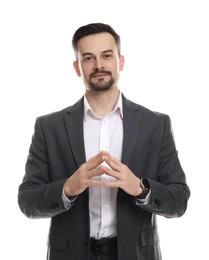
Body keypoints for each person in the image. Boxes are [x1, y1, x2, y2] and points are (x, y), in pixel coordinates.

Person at [18, 23, 190, 260]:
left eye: (106, 56)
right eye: (88, 58)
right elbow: (27, 201)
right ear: (77, 68)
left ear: (120, 61)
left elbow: (179, 200)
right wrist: (68, 188)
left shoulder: (155, 125)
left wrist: (140, 188)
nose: (99, 65)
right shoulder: (49, 127)